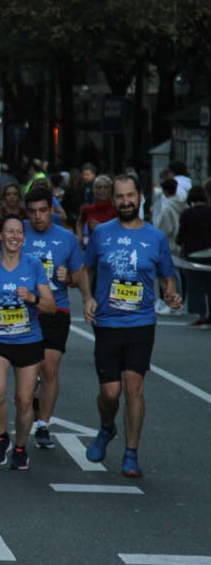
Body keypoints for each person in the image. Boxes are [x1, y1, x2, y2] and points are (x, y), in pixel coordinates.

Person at [83, 175, 182, 477]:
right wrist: (87, 297)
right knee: (110, 393)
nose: (125, 201)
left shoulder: (155, 238)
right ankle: (106, 427)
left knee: (133, 386)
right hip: (108, 322)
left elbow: (168, 276)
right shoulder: (101, 234)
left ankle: (131, 453)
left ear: (141, 198)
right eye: (119, 196)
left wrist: (172, 294)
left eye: (130, 196)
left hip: (141, 322)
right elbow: (85, 269)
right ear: (112, 200)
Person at [0, 215, 56, 470]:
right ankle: (2, 436)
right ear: (0, 236)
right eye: (9, 231)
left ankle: (20, 447)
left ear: (24, 238)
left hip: (28, 339)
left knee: (24, 400)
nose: (15, 236)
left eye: (19, 232)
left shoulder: (33, 265)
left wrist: (32, 297)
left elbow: (50, 305)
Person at [8, 187, 93, 448]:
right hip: (23, 309)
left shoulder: (66, 238)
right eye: (32, 212)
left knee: (50, 366)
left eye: (43, 211)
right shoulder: (17, 232)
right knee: (26, 370)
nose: (38, 217)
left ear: (51, 209)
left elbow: (79, 274)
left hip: (56, 308)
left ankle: (43, 423)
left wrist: (79, 288)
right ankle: (30, 401)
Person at [176, 186, 211, 327]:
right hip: (210, 252)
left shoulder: (186, 214)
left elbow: (181, 237)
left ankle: (201, 315)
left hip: (193, 254)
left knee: (196, 286)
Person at [77, 175, 115, 245]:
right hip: (92, 250)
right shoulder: (87, 209)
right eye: (99, 187)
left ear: (111, 190)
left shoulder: (117, 209)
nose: (102, 190)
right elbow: (80, 222)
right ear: (94, 190)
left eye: (106, 187)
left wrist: (100, 228)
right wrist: (80, 238)